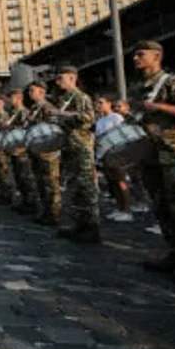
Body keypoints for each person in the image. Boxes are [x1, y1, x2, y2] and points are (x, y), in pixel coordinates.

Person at [130, 40, 175, 283]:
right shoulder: (139, 87)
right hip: (150, 152)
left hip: (174, 151)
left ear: (156, 56)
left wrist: (159, 106)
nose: (135, 58)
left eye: (140, 54)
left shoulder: (174, 83)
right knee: (161, 205)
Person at [51, 66, 100, 243]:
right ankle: (80, 223)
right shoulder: (64, 98)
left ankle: (92, 228)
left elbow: (88, 118)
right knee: (74, 187)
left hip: (81, 147)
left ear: (72, 78)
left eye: (61, 78)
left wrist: (62, 114)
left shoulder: (81, 97)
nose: (58, 82)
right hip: (69, 146)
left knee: (86, 187)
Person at [27, 81, 61, 226]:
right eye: (29, 91)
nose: (30, 93)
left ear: (41, 92)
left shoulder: (47, 107)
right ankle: (45, 211)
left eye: (32, 90)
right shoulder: (34, 107)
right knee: (40, 181)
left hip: (48, 150)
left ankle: (54, 214)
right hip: (36, 148)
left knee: (51, 182)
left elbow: (54, 126)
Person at [96, 94, 133, 222]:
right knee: (113, 182)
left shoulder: (116, 117)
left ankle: (127, 211)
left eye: (101, 102)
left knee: (121, 182)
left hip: (116, 153)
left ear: (109, 103)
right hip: (105, 153)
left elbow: (123, 132)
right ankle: (120, 208)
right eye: (98, 103)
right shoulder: (100, 120)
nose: (99, 105)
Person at [7, 88, 39, 215]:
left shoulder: (24, 112)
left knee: (26, 177)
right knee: (18, 177)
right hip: (14, 149)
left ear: (19, 98)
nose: (10, 100)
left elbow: (27, 128)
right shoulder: (13, 112)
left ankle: (32, 204)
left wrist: (11, 127)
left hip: (22, 150)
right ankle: (25, 201)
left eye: (12, 98)